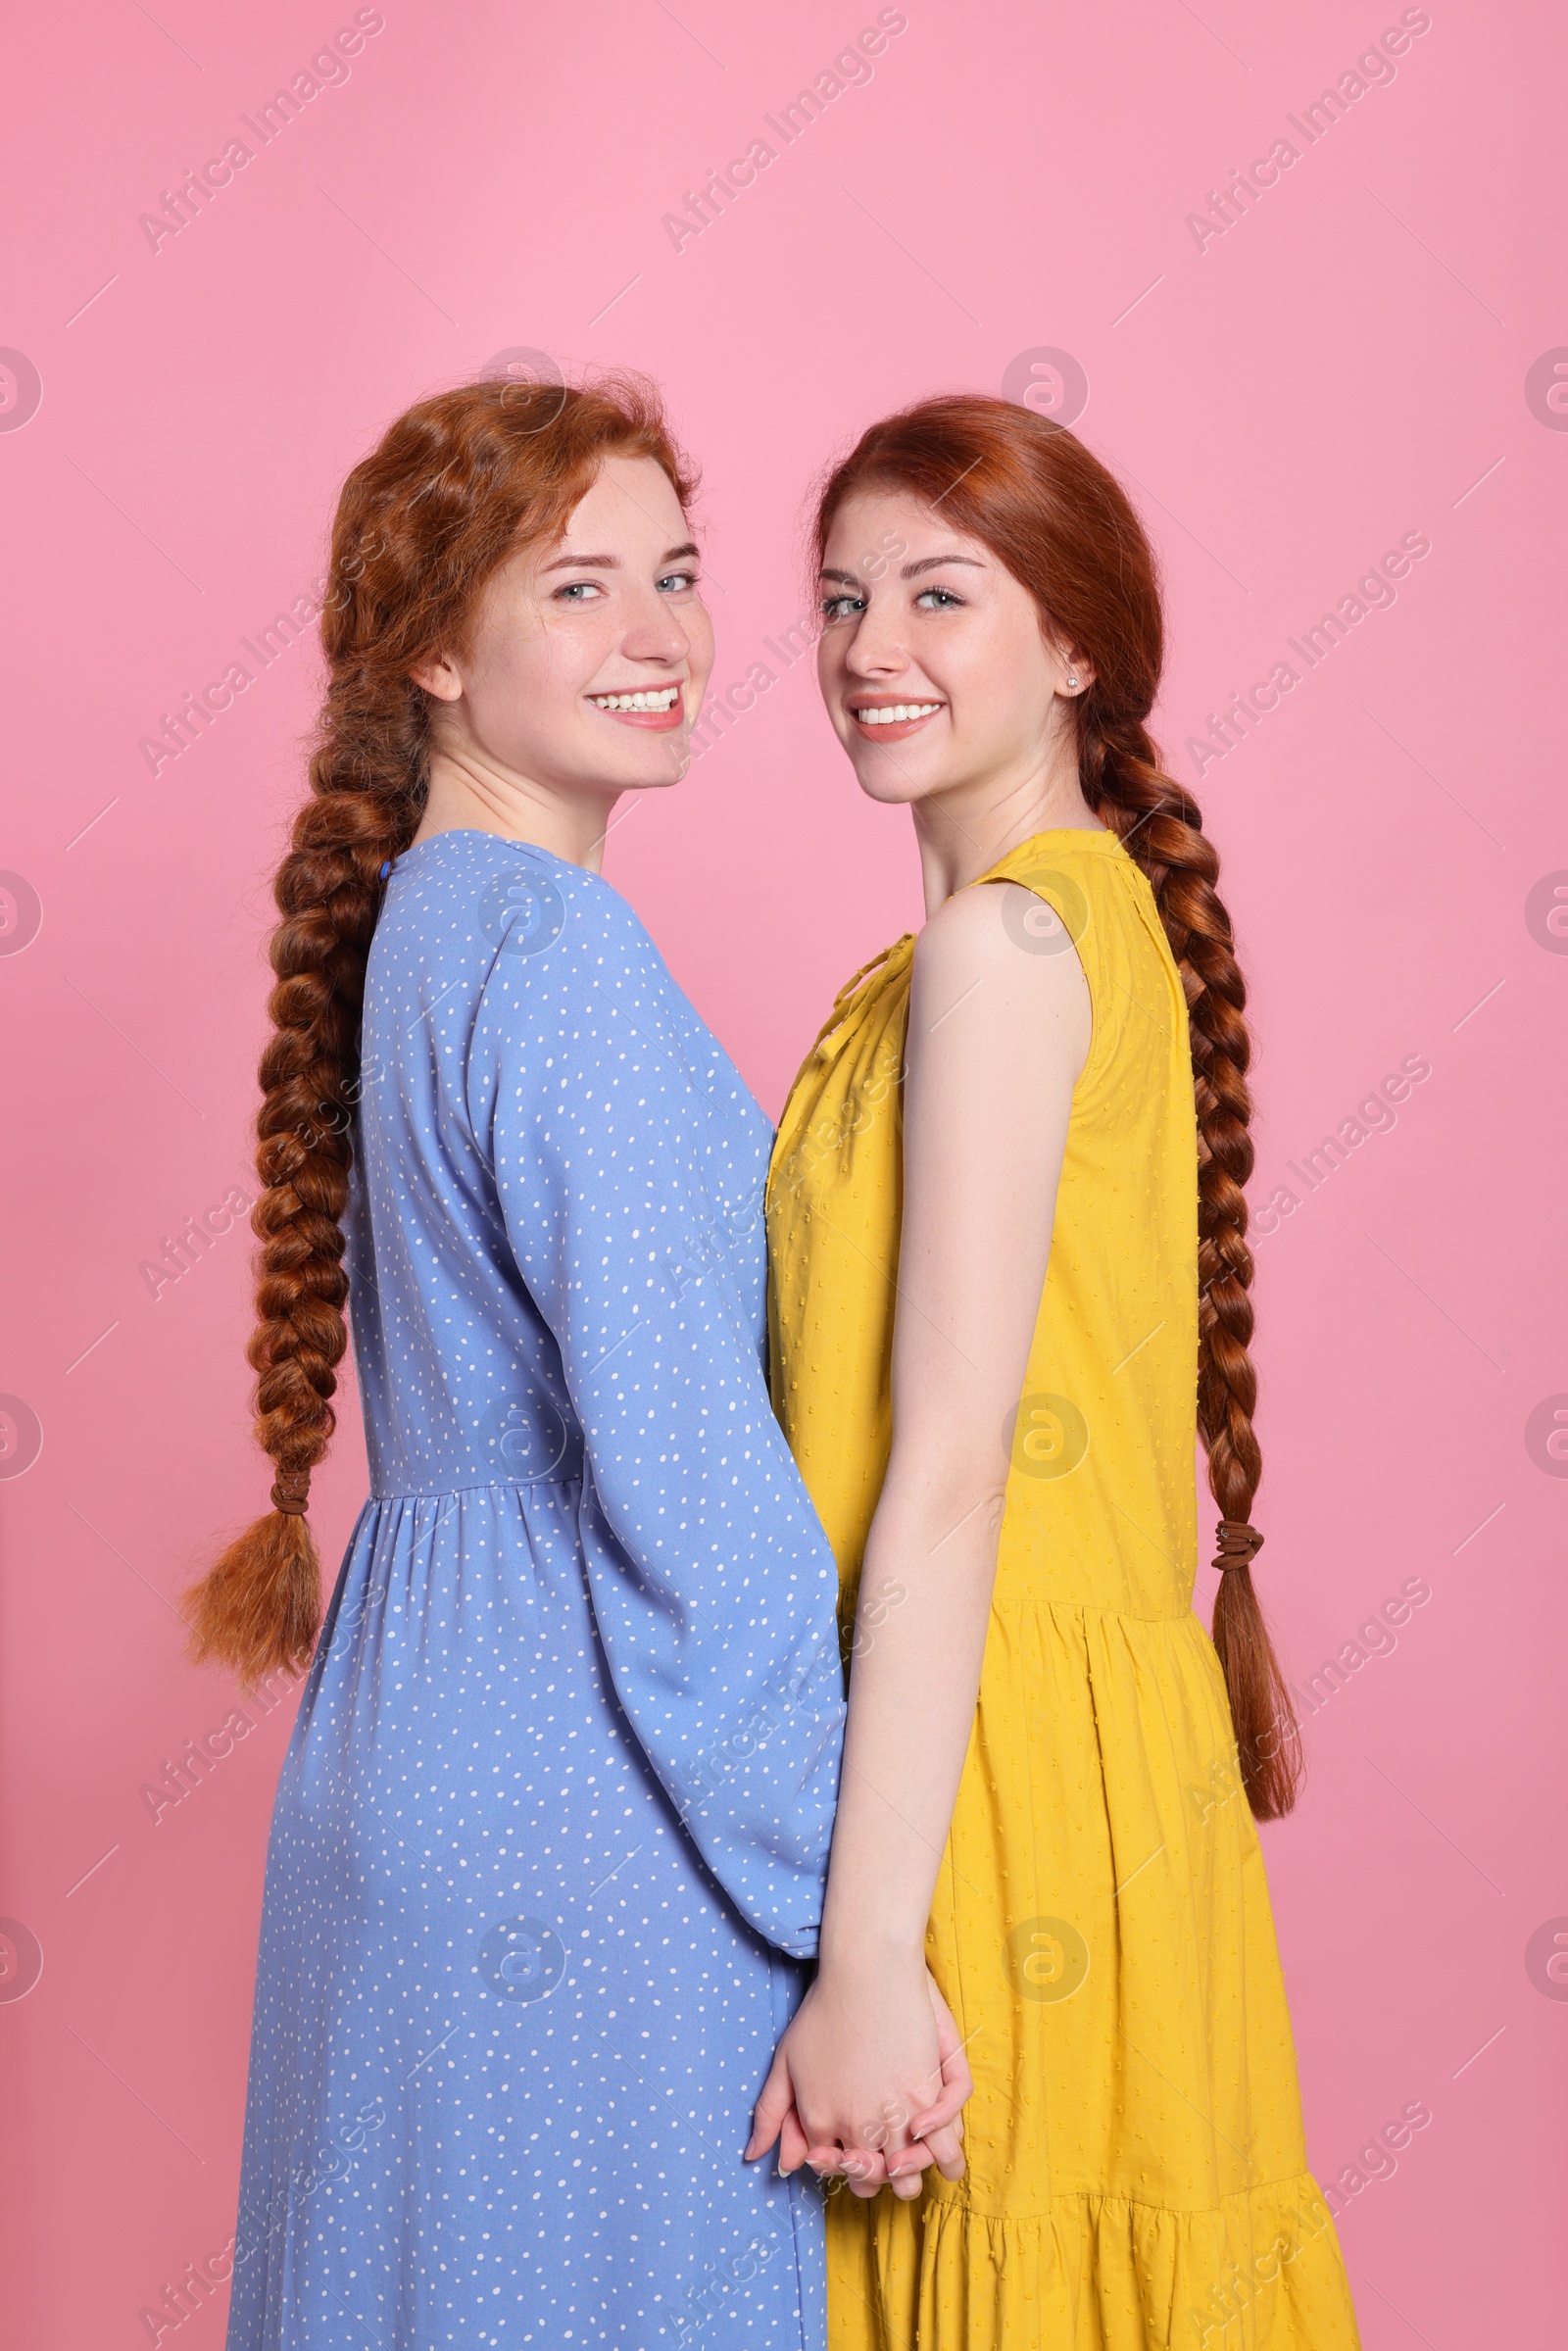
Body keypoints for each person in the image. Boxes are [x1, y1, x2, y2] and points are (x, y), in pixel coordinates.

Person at [184, 374, 956, 2350]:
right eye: (578, 587)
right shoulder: (554, 956)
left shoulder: (425, 932)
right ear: (434, 650)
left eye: (679, 577)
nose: (662, 638)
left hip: (405, 1758)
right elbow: (692, 1498)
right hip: (587, 1797)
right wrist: (851, 1914)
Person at [749, 396, 1362, 2350]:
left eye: (939, 594)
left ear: (1073, 646)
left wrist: (861, 1961)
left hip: (990, 1776)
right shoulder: (1032, 940)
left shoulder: (1009, 954)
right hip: (1046, 1759)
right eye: (840, 598)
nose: (866, 649)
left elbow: (942, 1477)